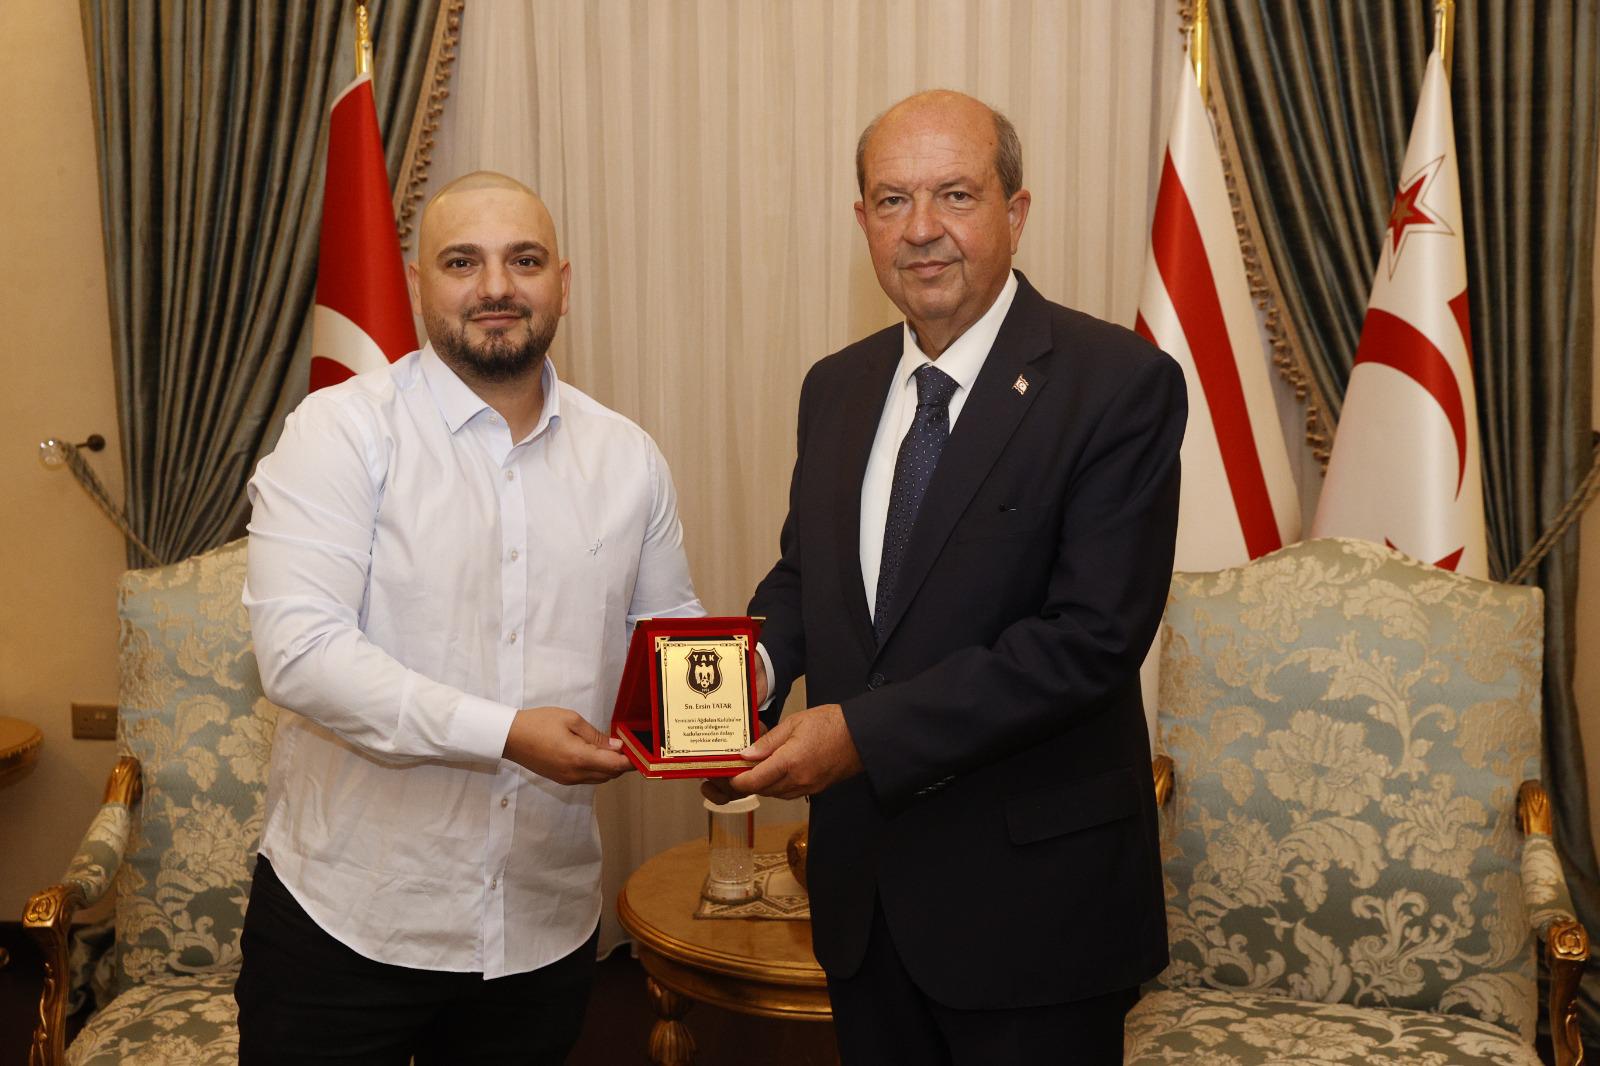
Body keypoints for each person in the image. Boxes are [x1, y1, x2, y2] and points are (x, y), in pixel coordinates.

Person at [707, 91, 1186, 1063]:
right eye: (892, 200)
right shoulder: (835, 387)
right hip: (863, 897)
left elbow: (1088, 641)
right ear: (862, 221)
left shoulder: (1117, 383)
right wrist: (741, 680)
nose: (921, 228)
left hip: (1034, 915)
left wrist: (860, 735)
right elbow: (805, 576)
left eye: (955, 195)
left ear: (1016, 210)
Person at [239, 171, 702, 1064]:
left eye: (524, 260)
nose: (496, 287)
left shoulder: (627, 457)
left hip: (540, 923)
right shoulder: (340, 431)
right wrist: (507, 734)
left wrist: (727, 728)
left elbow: (667, 639)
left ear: (562, 282)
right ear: (419, 284)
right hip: (350, 921)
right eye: (463, 262)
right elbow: (299, 653)